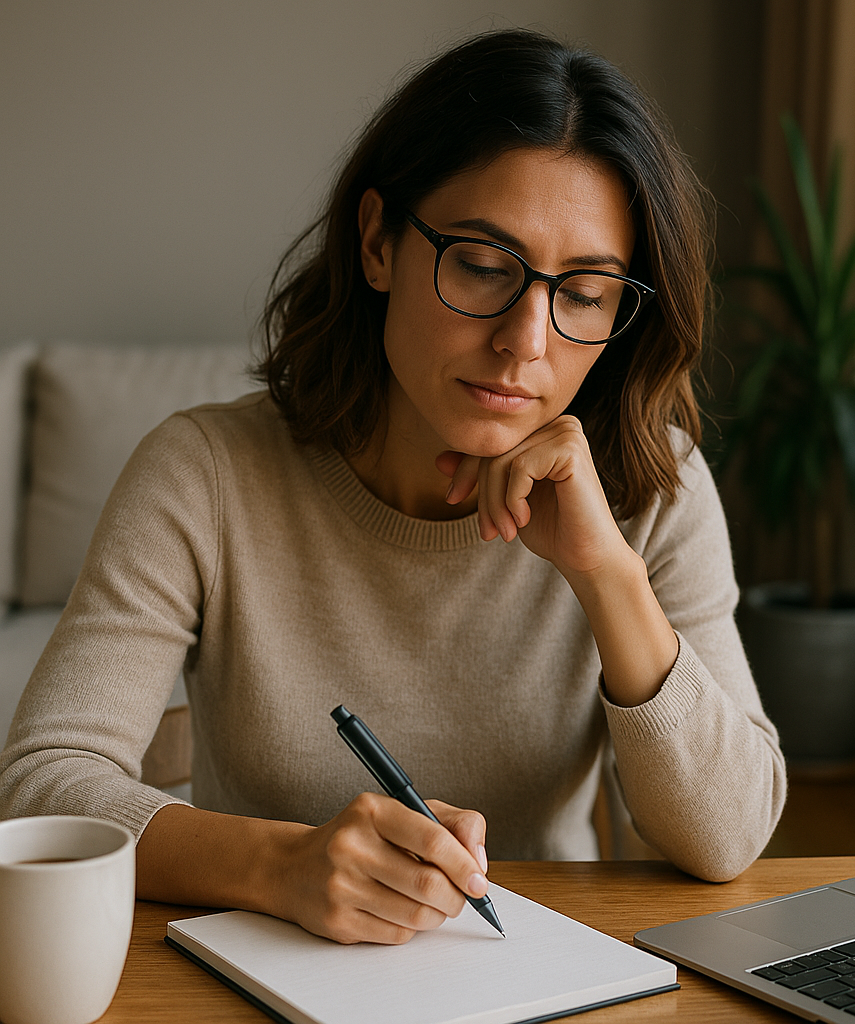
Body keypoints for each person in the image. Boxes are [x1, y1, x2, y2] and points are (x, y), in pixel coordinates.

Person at [0, 29, 785, 945]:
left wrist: (607, 573)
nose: (527, 341)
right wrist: (278, 866)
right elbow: (41, 785)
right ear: (377, 242)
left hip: (539, 978)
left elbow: (729, 839)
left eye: (583, 293)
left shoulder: (658, 487)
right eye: (486, 267)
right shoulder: (203, 474)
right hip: (258, 977)